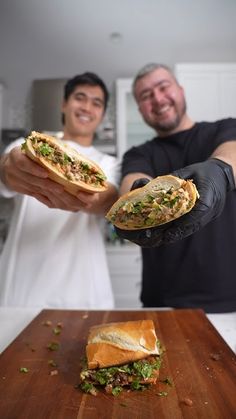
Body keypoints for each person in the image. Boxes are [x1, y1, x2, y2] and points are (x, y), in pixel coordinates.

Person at [116, 63, 236, 313]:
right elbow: (132, 179)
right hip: (162, 303)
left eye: (163, 87)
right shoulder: (139, 153)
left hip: (229, 300)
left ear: (180, 90)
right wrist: (137, 198)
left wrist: (220, 170)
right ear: (140, 109)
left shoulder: (223, 129)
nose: (158, 99)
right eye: (146, 96)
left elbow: (232, 151)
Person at [0, 72, 120, 309]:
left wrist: (91, 197)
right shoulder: (25, 146)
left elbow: (108, 200)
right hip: (22, 287)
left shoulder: (110, 164)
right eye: (80, 98)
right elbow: (6, 170)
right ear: (64, 104)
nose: (87, 107)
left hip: (83, 291)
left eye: (96, 103)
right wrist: (6, 171)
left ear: (102, 114)